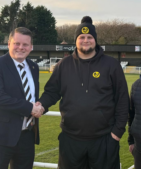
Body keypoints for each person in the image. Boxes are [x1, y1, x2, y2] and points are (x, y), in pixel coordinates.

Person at [37, 16, 129, 169]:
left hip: (104, 139)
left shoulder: (111, 65)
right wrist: (41, 106)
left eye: (89, 37)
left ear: (95, 40)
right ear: (76, 40)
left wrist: (117, 133)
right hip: (71, 140)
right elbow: (51, 92)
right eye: (82, 37)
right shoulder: (63, 65)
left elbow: (122, 100)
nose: (85, 40)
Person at [0, 27, 44, 169]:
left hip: (28, 135)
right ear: (9, 44)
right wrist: (30, 108)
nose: (21, 47)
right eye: (17, 43)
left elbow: (32, 96)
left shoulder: (34, 67)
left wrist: (39, 106)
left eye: (25, 44)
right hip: (2, 134)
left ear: (31, 47)